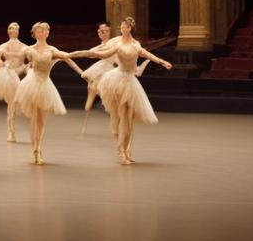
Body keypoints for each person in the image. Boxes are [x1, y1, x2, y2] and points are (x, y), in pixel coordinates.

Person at [69, 17, 173, 164]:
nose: (122, 28)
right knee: (123, 116)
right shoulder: (117, 45)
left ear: (130, 28)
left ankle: (127, 149)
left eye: (125, 26)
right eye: (122, 26)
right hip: (117, 80)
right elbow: (98, 54)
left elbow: (147, 54)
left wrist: (162, 62)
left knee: (129, 119)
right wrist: (71, 54)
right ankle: (121, 151)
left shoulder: (136, 45)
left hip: (130, 82)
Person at [14, 22, 86, 165]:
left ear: (48, 33)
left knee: (42, 120)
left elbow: (68, 59)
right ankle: (34, 149)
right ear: (35, 33)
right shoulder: (29, 49)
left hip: (45, 84)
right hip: (32, 83)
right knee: (34, 119)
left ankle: (39, 148)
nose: (41, 33)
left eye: (44, 31)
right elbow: (24, 64)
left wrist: (81, 72)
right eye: (38, 31)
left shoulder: (52, 50)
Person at [0, 22, 29, 142]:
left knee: (22, 105)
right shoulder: (2, 47)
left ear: (19, 31)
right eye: (11, 28)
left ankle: (31, 130)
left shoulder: (25, 47)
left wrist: (27, 68)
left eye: (16, 28)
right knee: (11, 106)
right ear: (8, 31)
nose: (13, 30)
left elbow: (33, 59)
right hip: (9, 76)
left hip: (21, 74)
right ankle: (11, 132)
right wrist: (0, 66)